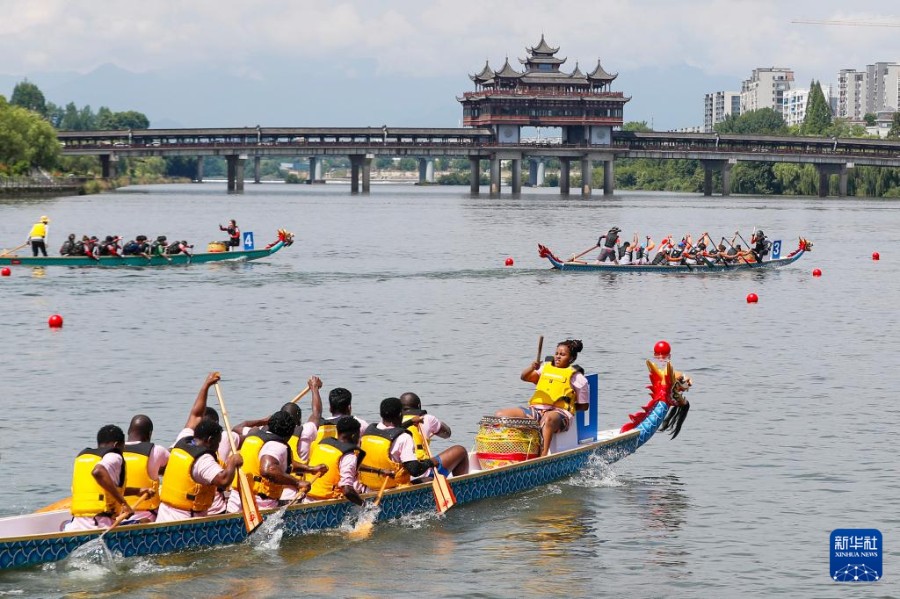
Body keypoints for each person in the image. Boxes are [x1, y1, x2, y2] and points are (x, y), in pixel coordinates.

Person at [495, 339, 590, 457]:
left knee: (548, 418)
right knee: (501, 415)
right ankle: (508, 453)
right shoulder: (544, 368)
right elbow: (524, 377)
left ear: (571, 358)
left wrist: (566, 406)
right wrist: (532, 367)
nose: (558, 357)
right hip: (536, 411)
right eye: (557, 354)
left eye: (563, 354)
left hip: (560, 415)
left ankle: (542, 457)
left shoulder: (578, 378)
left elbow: (584, 406)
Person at [358, 397, 468, 492]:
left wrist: (410, 422)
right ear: (400, 414)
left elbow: (392, 432)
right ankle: (462, 491)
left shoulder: (369, 432)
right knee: (459, 451)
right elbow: (415, 470)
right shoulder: (404, 438)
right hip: (395, 487)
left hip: (370, 486)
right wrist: (430, 462)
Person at [226, 410, 321, 512]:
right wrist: (297, 482)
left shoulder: (253, 434)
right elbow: (268, 470)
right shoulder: (277, 445)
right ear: (290, 432)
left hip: (235, 501)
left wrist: (311, 469)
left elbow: (285, 465)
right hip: (259, 506)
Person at [64, 424, 153, 531]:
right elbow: (98, 472)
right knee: (146, 521)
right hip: (99, 525)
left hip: (75, 524)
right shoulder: (114, 456)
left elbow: (104, 489)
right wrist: (124, 504)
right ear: (116, 445)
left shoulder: (83, 457)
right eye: (123, 447)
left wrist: (137, 491)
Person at [156, 419, 243, 522]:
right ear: (210, 440)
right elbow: (223, 481)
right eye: (217, 442)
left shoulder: (182, 444)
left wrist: (203, 401)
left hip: (163, 516)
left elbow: (195, 415)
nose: (217, 447)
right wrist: (232, 461)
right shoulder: (203, 459)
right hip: (186, 524)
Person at [399, 391, 468, 483]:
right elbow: (447, 434)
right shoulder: (426, 418)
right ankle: (461, 486)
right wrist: (436, 424)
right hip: (422, 471)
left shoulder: (392, 424)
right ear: (419, 406)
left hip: (400, 475)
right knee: (461, 450)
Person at [306, 416, 367, 505]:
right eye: (358, 435)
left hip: (307, 498)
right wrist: (365, 505)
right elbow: (347, 491)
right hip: (329, 505)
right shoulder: (349, 455)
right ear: (354, 436)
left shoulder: (322, 444)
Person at [122, 415, 170, 523]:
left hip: (117, 515)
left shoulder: (113, 452)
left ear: (129, 431)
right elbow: (173, 468)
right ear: (149, 434)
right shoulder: (157, 451)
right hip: (148, 516)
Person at [308, 387, 369, 452]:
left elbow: (316, 413)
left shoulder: (318, 426)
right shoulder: (360, 424)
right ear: (349, 408)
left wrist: (314, 388)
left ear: (330, 409)